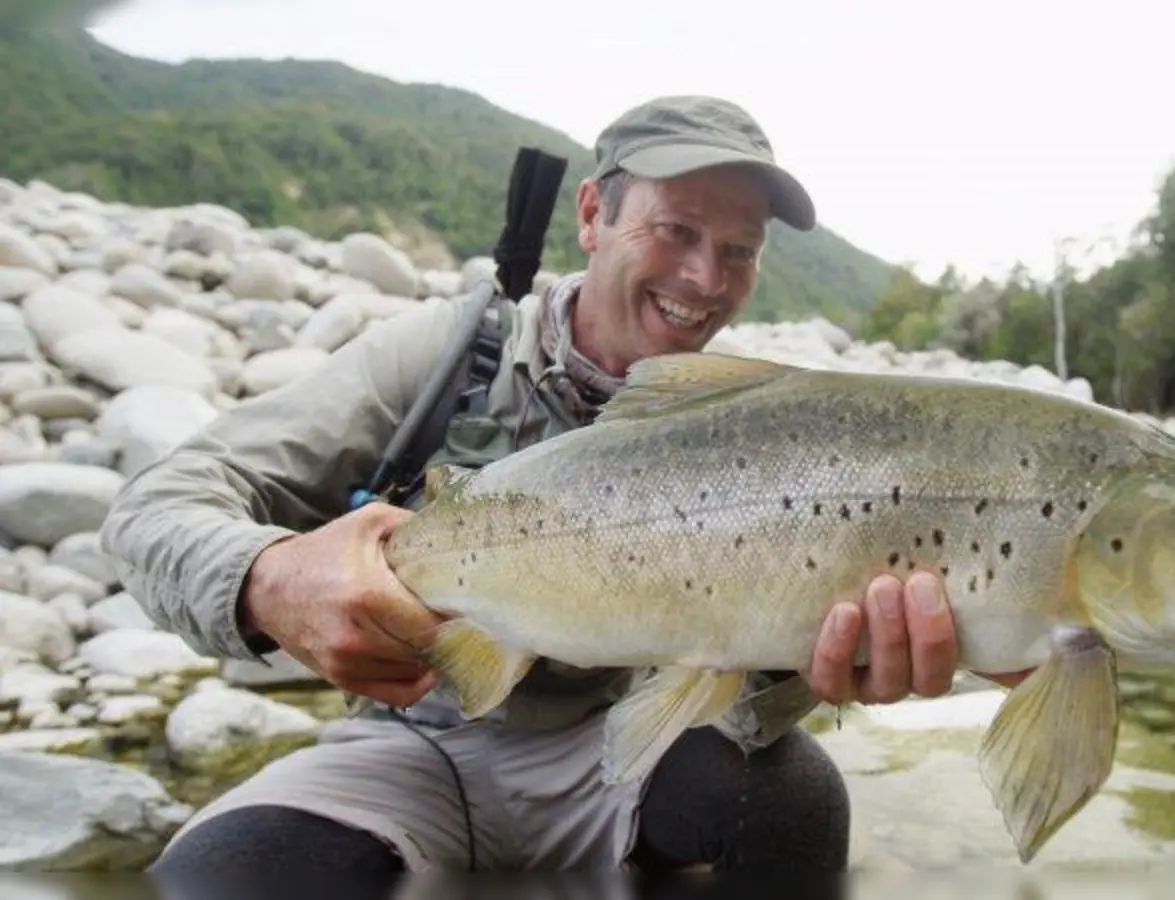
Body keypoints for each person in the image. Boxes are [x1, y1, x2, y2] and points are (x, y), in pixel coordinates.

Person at [101, 95, 1025, 877]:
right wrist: (269, 578)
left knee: (791, 800)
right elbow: (154, 506)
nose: (705, 279)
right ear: (591, 215)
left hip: (625, 747)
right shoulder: (445, 357)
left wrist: (817, 672)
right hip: (415, 742)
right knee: (228, 874)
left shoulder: (759, 422)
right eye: (677, 231)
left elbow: (736, 692)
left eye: (739, 251)